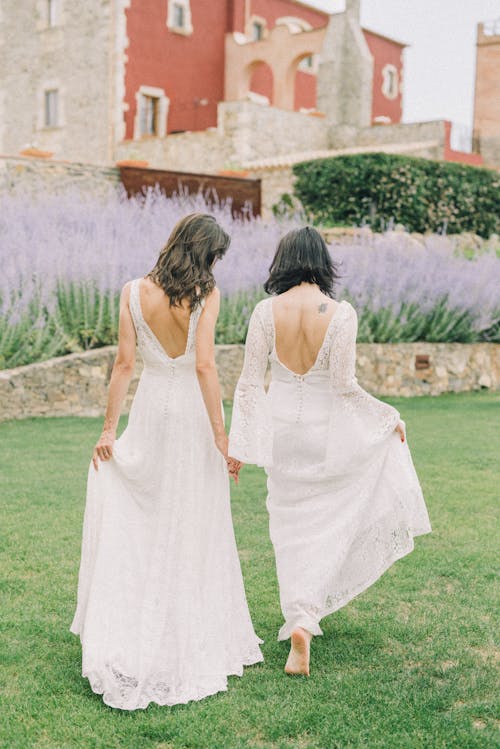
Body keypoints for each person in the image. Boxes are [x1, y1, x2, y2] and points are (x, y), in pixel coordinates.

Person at [70, 213, 263, 710]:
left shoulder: (133, 291)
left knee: (147, 516)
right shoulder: (206, 295)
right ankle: (185, 625)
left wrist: (110, 429)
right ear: (205, 254)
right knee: (194, 520)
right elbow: (203, 365)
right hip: (192, 419)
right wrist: (223, 437)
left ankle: (136, 619)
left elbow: (124, 364)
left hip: (152, 412)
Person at [228, 226, 432, 677]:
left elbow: (248, 381)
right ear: (322, 262)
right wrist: (387, 417)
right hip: (323, 432)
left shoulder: (265, 312)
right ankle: (304, 616)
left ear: (283, 261)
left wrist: (240, 443)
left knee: (288, 523)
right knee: (325, 520)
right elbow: (344, 386)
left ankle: (299, 615)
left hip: (283, 431)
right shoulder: (340, 314)